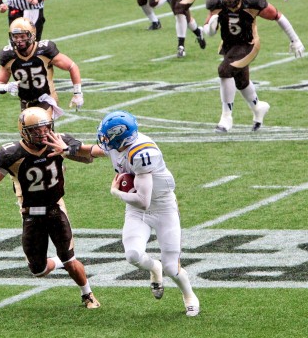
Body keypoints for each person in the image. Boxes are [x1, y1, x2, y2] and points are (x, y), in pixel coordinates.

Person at [46, 110, 200, 316]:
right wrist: (67, 149)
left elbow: (144, 201)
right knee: (133, 255)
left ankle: (189, 295)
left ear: (122, 137)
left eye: (108, 137)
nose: (104, 140)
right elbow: (94, 151)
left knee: (172, 267)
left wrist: (116, 193)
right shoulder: (118, 145)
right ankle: (154, 267)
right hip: (136, 210)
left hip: (162, 208)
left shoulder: (143, 153)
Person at [0, 107, 100, 309]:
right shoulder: (11, 154)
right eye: (36, 130)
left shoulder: (58, 141)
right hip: (30, 215)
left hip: (55, 209)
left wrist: (71, 150)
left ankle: (87, 294)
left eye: (45, 128)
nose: (42, 133)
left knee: (70, 260)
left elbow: (89, 157)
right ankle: (59, 262)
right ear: (24, 131)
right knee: (38, 270)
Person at [204, 0, 305, 133]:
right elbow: (209, 32)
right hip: (229, 45)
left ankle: (226, 116)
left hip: (248, 43)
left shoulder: (252, 2)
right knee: (241, 81)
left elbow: (278, 16)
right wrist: (210, 26)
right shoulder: (216, 3)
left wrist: (295, 39)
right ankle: (258, 108)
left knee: (225, 70)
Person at [0, 17, 83, 120]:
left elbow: (71, 66)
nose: (19, 40)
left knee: (41, 127)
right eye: (15, 37)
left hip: (46, 98)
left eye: (22, 36)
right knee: (28, 134)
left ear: (32, 35)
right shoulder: (8, 55)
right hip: (25, 102)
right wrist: (6, 87)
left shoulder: (44, 51)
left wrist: (78, 93)